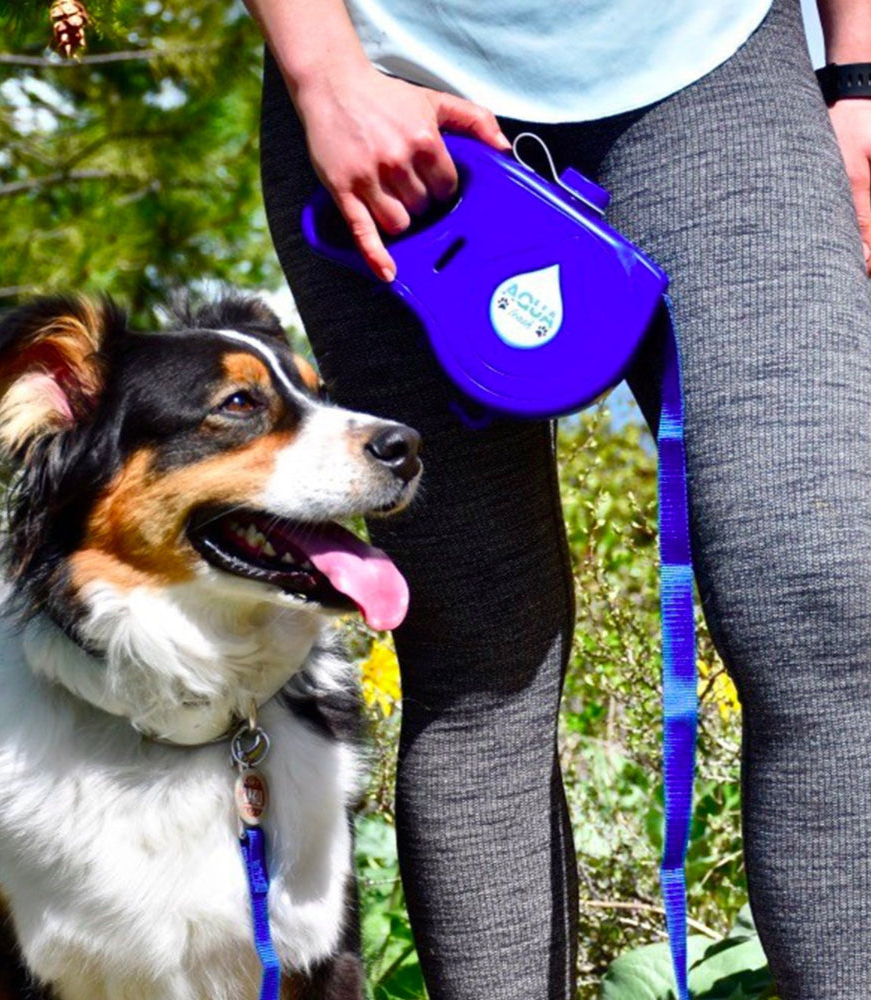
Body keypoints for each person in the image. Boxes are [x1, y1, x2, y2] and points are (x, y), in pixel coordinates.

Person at [245, 0, 871, 996]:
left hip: (706, 60)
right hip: (387, 93)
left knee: (824, 598)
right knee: (478, 652)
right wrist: (323, 72)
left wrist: (859, 78)